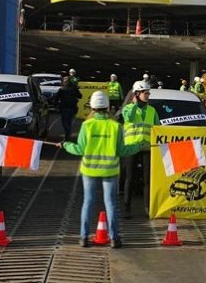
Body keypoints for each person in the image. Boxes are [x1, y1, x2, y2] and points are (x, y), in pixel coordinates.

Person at [59, 91, 143, 249]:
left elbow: (80, 149)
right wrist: (138, 146)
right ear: (108, 107)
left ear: (92, 107)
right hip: (109, 171)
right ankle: (114, 239)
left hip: (89, 170)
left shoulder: (86, 125)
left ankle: (83, 238)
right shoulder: (115, 126)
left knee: (88, 203)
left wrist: (65, 145)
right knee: (110, 204)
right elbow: (123, 151)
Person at [120, 81, 159, 218]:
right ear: (137, 94)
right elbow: (129, 118)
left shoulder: (152, 110)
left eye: (148, 93)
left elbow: (157, 128)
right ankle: (127, 208)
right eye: (145, 93)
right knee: (129, 178)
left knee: (147, 180)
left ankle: (148, 208)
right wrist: (135, 103)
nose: (148, 95)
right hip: (131, 147)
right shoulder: (128, 108)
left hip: (147, 148)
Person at [54, 76, 82, 141]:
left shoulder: (61, 89)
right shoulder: (74, 88)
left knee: (65, 123)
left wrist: (55, 106)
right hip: (72, 107)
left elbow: (56, 98)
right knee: (69, 122)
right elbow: (80, 96)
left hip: (64, 108)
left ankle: (67, 134)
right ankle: (68, 135)